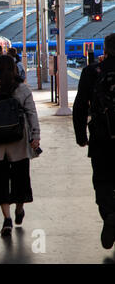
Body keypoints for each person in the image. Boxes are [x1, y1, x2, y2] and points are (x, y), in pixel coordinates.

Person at [0, 55, 40, 236]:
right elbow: (31, 113)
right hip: (19, 141)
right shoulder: (22, 88)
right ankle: (19, 208)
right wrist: (35, 136)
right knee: (20, 178)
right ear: (14, 69)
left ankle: (7, 218)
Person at [73, 33, 115, 250]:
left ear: (105, 50)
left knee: (102, 180)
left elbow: (80, 105)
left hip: (101, 136)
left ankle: (109, 213)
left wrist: (81, 136)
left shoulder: (92, 71)